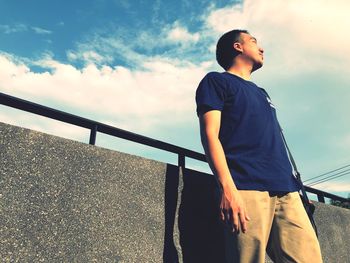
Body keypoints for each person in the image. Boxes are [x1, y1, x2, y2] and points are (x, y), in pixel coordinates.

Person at [195, 29, 323, 263]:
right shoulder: (216, 81)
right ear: (238, 47)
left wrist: (297, 190)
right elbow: (209, 135)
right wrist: (227, 188)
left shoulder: (262, 93)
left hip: (287, 189)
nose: (261, 48)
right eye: (254, 42)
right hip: (245, 187)